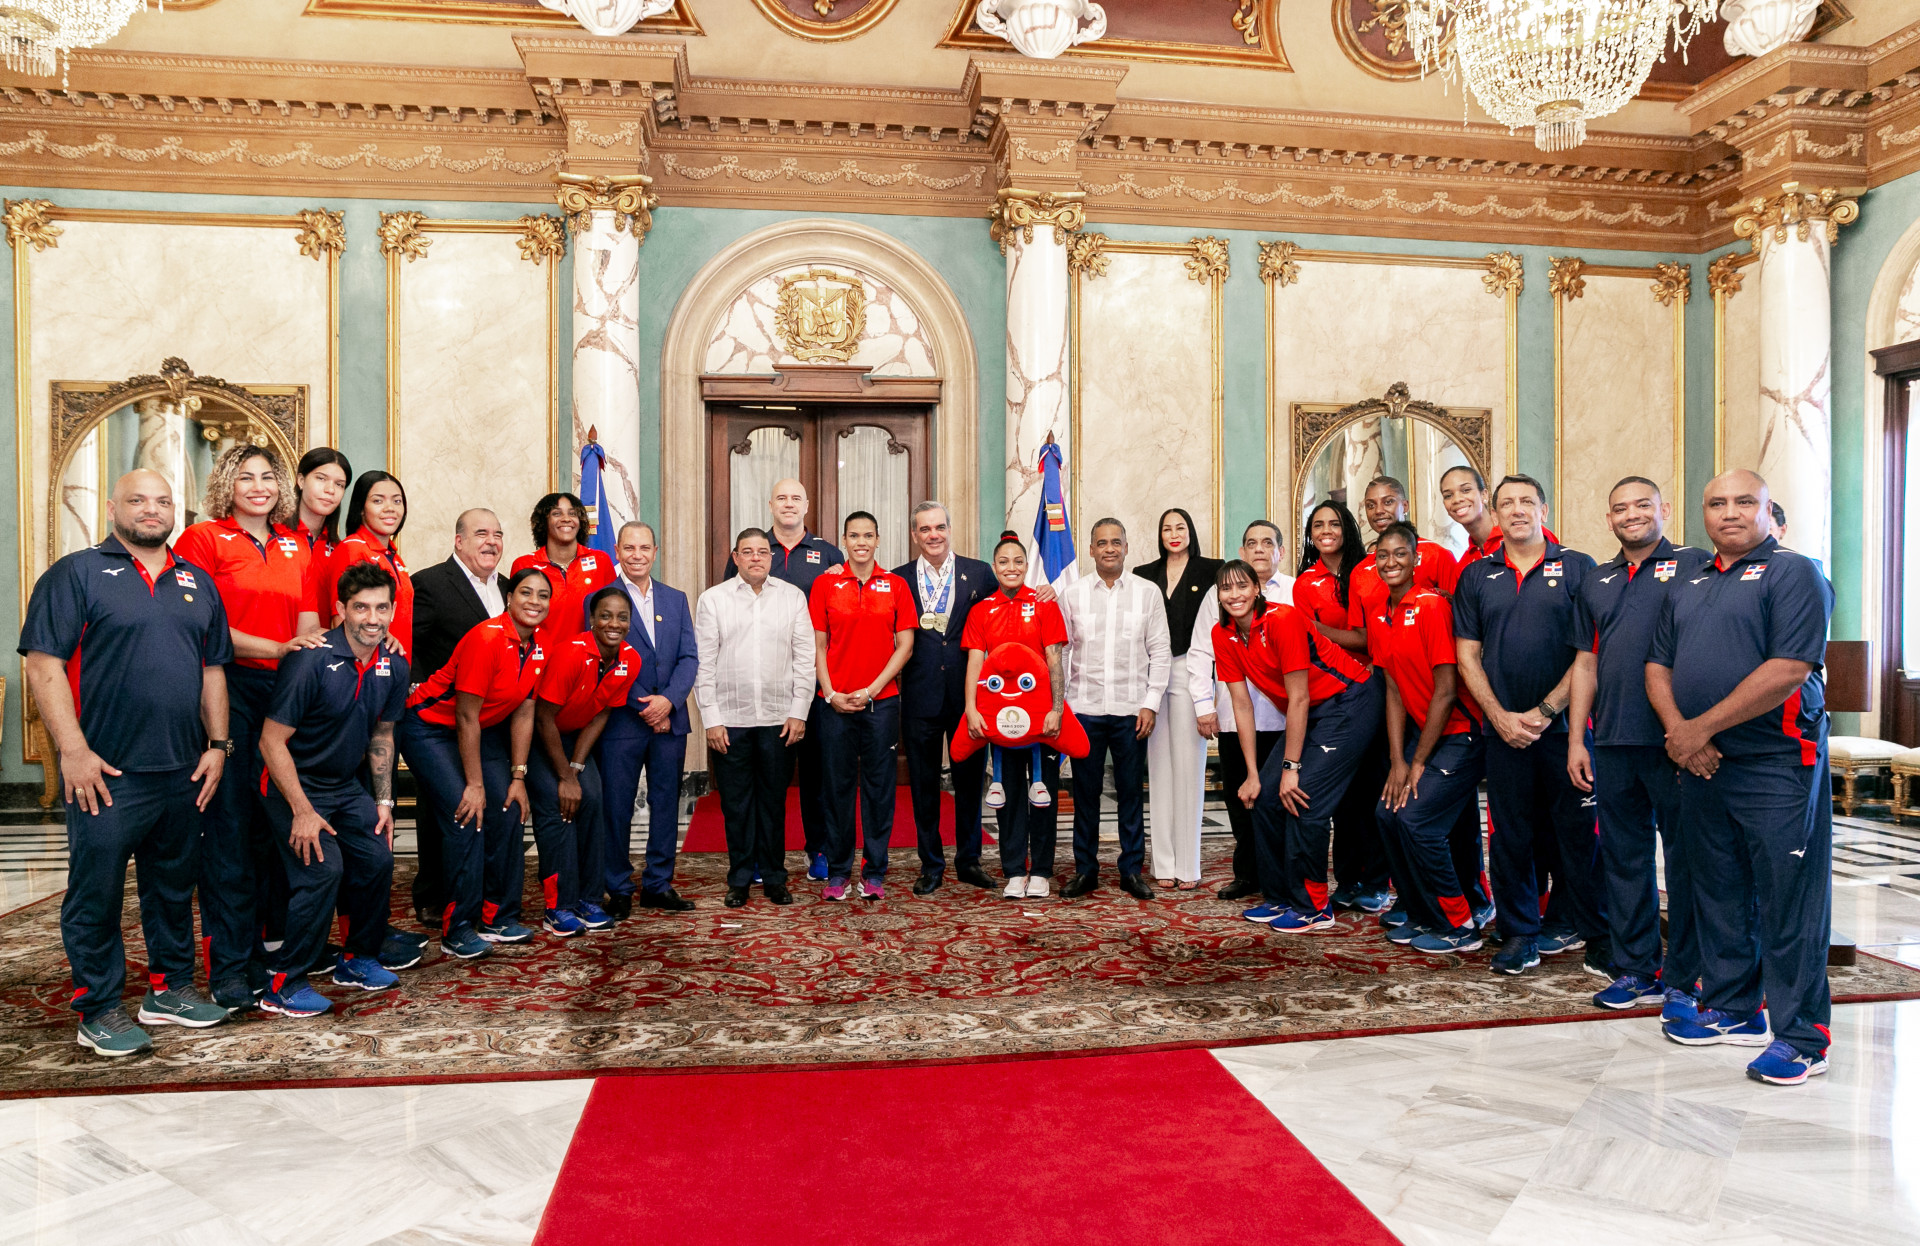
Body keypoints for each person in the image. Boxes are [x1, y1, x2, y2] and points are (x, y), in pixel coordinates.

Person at [21, 469, 234, 1056]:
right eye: (137, 500)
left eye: (162, 501)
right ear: (112, 508)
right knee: (97, 894)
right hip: (106, 772)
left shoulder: (197, 581)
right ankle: (97, 1008)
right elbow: (42, 664)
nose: (151, 509)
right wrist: (73, 751)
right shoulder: (77, 573)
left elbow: (213, 669)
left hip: (183, 769)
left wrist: (218, 746)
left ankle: (169, 990)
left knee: (173, 888)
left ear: (175, 511)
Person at [1648, 469, 1835, 1086]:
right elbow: (1657, 665)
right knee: (1719, 890)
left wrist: (1697, 729)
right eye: (1716, 503)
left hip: (1776, 763)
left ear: (1767, 510)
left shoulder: (1794, 572)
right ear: (1701, 513)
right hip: (1703, 762)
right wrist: (1682, 734)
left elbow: (1789, 668)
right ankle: (1734, 1008)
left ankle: (1802, 1037)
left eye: (1744, 501)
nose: (1729, 512)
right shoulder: (1689, 580)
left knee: (1789, 900)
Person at [174, 444, 326, 1011]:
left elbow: (308, 621)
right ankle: (230, 968)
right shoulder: (203, 539)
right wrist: (279, 648)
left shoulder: (294, 543)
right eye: (245, 477)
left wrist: (309, 655)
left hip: (285, 694)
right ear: (226, 485)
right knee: (231, 832)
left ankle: (265, 951)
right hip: (229, 688)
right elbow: (205, 626)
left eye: (267, 476)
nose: (258, 486)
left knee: (273, 826)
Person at [1567, 477, 1711, 1013]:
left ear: (1664, 509)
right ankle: (1635, 970)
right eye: (1621, 508)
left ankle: (1687, 976)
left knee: (1687, 861)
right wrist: (1577, 739)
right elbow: (1585, 663)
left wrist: (1698, 730)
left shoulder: (1697, 566)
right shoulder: (1596, 580)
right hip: (1612, 740)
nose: (1632, 515)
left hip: (1676, 741)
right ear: (1608, 519)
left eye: (1642, 505)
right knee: (1624, 860)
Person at [1453, 474, 1604, 976]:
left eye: (1526, 501)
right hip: (1503, 733)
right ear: (1495, 515)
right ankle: (1520, 932)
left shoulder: (1578, 567)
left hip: (1566, 731)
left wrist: (1545, 711)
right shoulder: (1477, 575)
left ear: (1544, 510)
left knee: (1576, 833)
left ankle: (1586, 927)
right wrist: (1499, 716)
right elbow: (1467, 656)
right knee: (1511, 836)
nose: (1517, 510)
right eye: (1507, 504)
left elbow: (1588, 653)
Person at [256, 561, 410, 1017]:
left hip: (344, 786)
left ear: (393, 610)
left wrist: (384, 800)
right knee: (324, 871)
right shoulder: (311, 659)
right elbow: (271, 742)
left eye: (381, 608)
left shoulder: (394, 663)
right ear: (341, 609)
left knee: (378, 859)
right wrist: (302, 811)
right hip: (292, 785)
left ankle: (357, 958)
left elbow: (383, 734)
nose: (372, 618)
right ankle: (284, 983)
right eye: (361, 607)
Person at [1214, 562, 1383, 934]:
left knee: (1301, 799)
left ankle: (1314, 907)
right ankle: (1281, 897)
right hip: (1311, 710)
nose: (1235, 595)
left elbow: (1300, 697)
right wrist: (1253, 774)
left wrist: (1290, 768)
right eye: (1226, 589)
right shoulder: (1222, 633)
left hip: (1348, 702)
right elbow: (1241, 705)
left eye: (1242, 586)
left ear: (1257, 589)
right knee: (1265, 797)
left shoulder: (1282, 619)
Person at [399, 568, 552, 959]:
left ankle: (498, 916)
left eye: (543, 595)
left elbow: (525, 711)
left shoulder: (540, 645)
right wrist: (475, 785)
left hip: (478, 731)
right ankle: (458, 928)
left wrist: (518, 777)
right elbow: (465, 715)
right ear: (509, 598)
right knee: (467, 815)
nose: (534, 602)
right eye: (526, 593)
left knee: (509, 808)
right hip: (429, 728)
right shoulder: (487, 638)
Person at [1365, 523, 1488, 955]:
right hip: (1425, 735)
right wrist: (1398, 761)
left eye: (1400, 554)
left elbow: (1447, 690)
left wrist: (1417, 761)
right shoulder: (1380, 613)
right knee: (1387, 814)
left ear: (1416, 559)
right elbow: (1394, 689)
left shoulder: (1431, 606)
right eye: (1383, 555)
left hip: (1463, 733)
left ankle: (1459, 924)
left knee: (1416, 821)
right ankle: (1421, 911)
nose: (1391, 562)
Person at [726, 478, 842, 882]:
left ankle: (820, 850)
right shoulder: (754, 549)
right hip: (765, 684)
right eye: (781, 498)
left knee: (817, 773)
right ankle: (760, 856)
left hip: (817, 682)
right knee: (764, 778)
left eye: (796, 498)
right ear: (770, 504)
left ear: (807, 505)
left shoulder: (829, 554)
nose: (789, 504)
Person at [696, 528, 814, 908]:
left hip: (780, 720)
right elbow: (704, 665)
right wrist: (712, 719)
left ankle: (775, 877)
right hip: (731, 721)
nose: (756, 558)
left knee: (773, 803)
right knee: (736, 805)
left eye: (762, 551)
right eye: (747, 552)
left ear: (771, 557)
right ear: (735, 557)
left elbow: (805, 660)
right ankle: (740, 879)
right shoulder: (713, 600)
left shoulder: (792, 598)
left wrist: (799, 712)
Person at [407, 508, 510, 926]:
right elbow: (409, 643)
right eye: (481, 533)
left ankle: (478, 893)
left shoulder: (508, 588)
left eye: (498, 534)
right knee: (443, 809)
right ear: (459, 541)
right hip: (441, 719)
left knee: (489, 806)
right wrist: (417, 687)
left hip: (491, 721)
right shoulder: (430, 583)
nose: (491, 542)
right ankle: (434, 894)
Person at [1059, 518, 1170, 900]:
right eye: (1102, 542)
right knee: (1085, 795)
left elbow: (1160, 652)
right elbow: (1063, 653)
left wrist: (1150, 704)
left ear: (1126, 547)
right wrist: (1063, 706)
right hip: (1084, 709)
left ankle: (1131, 871)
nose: (1109, 548)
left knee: (1130, 794)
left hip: (1131, 711)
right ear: (1091, 549)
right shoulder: (1072, 595)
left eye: (1116, 542)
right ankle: (1085, 870)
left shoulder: (1147, 593)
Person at [810, 511, 916, 901]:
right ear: (844, 540)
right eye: (854, 536)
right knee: (836, 789)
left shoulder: (896, 585)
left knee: (879, 789)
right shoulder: (825, 584)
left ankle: (874, 873)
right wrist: (830, 693)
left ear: (878, 540)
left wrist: (872, 690)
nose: (861, 542)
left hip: (881, 704)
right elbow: (817, 645)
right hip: (834, 704)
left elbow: (905, 645)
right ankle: (838, 872)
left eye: (868, 535)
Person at [1189, 521, 1295, 901]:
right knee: (1240, 798)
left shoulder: (1295, 591)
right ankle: (1247, 874)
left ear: (1281, 551)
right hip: (1235, 717)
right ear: (1242, 551)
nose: (1259, 549)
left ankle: (1283, 875)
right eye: (1251, 543)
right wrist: (1204, 706)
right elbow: (1200, 652)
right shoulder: (1221, 594)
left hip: (1286, 720)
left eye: (1268, 543)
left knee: (1280, 800)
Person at [894, 501, 996, 895]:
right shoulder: (899, 579)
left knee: (970, 782)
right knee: (923, 786)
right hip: (919, 696)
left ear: (950, 529)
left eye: (939, 527)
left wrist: (1043, 590)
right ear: (914, 535)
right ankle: (931, 864)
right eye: (925, 529)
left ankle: (969, 861)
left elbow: (1002, 612)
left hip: (967, 697)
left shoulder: (980, 573)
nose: (933, 535)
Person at [599, 521, 700, 916]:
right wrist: (646, 706)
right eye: (629, 548)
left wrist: (668, 702)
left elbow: (689, 657)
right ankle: (618, 887)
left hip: (670, 722)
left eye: (644, 548)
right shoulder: (602, 599)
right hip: (622, 722)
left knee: (666, 802)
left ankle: (658, 883)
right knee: (616, 806)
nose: (637, 555)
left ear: (655, 552)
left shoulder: (676, 599)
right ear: (617, 551)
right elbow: (602, 659)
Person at [963, 532, 1070, 898]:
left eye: (1018, 561)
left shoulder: (1044, 605)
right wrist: (971, 709)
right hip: (1001, 720)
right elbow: (975, 663)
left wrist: (1057, 709)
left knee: (1044, 793)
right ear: (994, 568)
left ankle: (1040, 870)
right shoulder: (981, 610)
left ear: (1027, 566)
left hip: (1041, 719)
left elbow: (1054, 659)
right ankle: (1013, 870)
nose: (1011, 567)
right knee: (1007, 793)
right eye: (1004, 562)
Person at [531, 586, 641, 935]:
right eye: (605, 616)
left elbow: (601, 713)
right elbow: (543, 718)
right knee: (561, 808)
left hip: (575, 739)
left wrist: (576, 768)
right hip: (540, 737)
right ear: (592, 619)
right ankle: (557, 907)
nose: (614, 624)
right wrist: (565, 778)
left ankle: (588, 899)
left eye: (622, 617)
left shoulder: (631, 660)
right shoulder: (571, 653)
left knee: (592, 799)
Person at [1133, 507, 1222, 889]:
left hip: (1190, 671)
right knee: (1159, 771)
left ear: (1190, 531)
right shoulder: (1143, 574)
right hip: (1152, 674)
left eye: (1180, 527)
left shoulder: (1211, 570)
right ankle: (1163, 864)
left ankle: (1188, 867)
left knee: (1189, 770)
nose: (1173, 533)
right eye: (1166, 527)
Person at [315, 471, 414, 657]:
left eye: (397, 501)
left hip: (394, 664)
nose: (390, 508)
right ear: (361, 508)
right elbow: (342, 622)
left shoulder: (393, 555)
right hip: (364, 667)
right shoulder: (352, 549)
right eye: (378, 501)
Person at [513, 492, 615, 649]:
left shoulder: (601, 561)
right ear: (544, 522)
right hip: (542, 659)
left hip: (591, 659)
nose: (566, 518)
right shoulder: (524, 564)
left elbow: (614, 612)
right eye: (556, 513)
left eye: (572, 513)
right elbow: (516, 621)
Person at [290, 448, 353, 560]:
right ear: (301, 481)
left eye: (339, 484)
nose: (330, 490)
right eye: (321, 478)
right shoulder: (273, 535)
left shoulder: (338, 550)